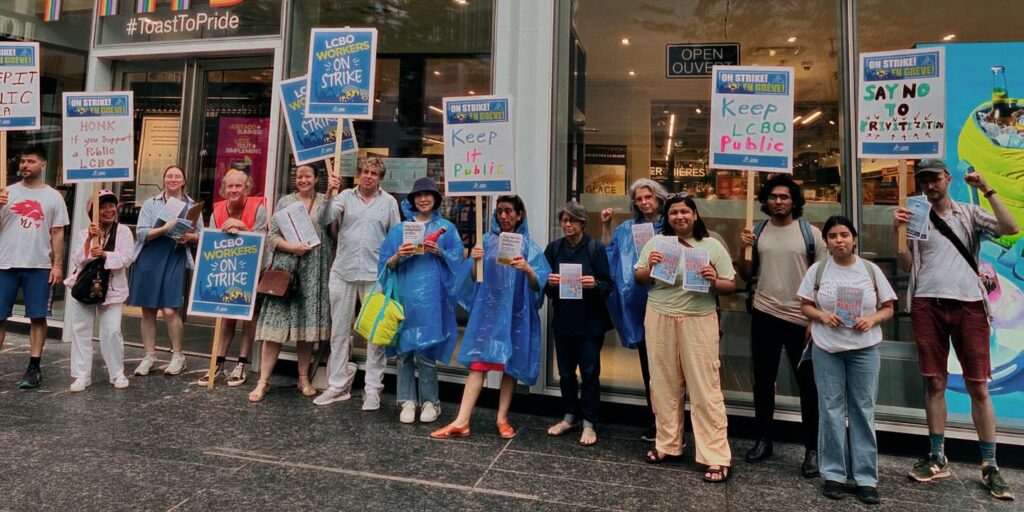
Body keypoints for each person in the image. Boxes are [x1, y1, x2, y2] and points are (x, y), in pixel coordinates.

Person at [893, 159, 1018, 500]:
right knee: (934, 381)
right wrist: (898, 234)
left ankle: (990, 464)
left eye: (934, 179)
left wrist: (987, 189)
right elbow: (907, 264)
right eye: (924, 182)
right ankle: (937, 455)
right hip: (926, 303)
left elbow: (1010, 228)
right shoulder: (916, 216)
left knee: (978, 385)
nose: (929, 186)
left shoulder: (968, 213)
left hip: (969, 306)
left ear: (947, 179)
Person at [431, 195, 551, 439]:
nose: (503, 216)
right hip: (489, 313)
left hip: (515, 313)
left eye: (508, 211)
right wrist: (476, 260)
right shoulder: (486, 241)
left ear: (520, 215)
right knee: (478, 364)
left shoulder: (529, 246)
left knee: (510, 366)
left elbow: (539, 283)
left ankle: (502, 418)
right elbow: (475, 278)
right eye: (499, 212)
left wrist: (527, 268)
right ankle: (462, 420)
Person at [633, 194, 735, 483]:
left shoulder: (712, 245)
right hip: (659, 315)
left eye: (685, 212)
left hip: (699, 319)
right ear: (668, 217)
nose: (679, 217)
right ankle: (668, 444)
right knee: (663, 383)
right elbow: (639, 278)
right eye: (674, 213)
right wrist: (649, 267)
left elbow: (730, 284)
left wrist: (714, 280)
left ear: (695, 215)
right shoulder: (656, 243)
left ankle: (715, 455)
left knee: (705, 387)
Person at [798, 215, 896, 505]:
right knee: (830, 409)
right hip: (827, 348)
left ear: (854, 239)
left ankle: (866, 477)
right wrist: (821, 316)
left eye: (844, 235)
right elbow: (804, 305)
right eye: (832, 236)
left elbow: (889, 307)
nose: (838, 240)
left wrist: (872, 319)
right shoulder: (817, 271)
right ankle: (834, 474)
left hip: (864, 350)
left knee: (863, 410)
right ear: (826, 241)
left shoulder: (870, 270)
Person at [738, 174, 824, 476]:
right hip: (764, 313)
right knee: (763, 381)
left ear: (794, 201)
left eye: (785, 197)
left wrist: (816, 318)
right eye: (773, 196)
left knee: (808, 386)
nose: (778, 201)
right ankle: (763, 439)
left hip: (801, 318)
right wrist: (743, 249)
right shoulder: (758, 230)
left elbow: (824, 279)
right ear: (765, 200)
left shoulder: (810, 233)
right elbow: (746, 274)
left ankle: (812, 448)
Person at [315, 157, 401, 410]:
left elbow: (395, 236)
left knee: (375, 336)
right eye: (364, 171)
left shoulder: (389, 203)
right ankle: (338, 385)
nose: (368, 176)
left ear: (380, 178)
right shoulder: (344, 196)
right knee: (339, 333)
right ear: (358, 174)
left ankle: (373, 390)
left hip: (375, 276)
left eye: (374, 173)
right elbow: (323, 218)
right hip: (343, 272)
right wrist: (330, 191)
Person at [378, 177, 462, 423]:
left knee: (425, 350)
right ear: (412, 200)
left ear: (435, 199)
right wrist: (398, 255)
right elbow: (385, 264)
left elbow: (457, 260)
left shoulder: (447, 228)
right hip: (404, 297)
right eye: (418, 195)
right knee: (404, 353)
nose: (423, 199)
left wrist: (440, 252)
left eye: (428, 194)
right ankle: (406, 400)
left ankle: (430, 402)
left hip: (431, 300)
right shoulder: (399, 230)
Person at [248, 165, 333, 402]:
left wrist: (333, 194)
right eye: (299, 176)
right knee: (274, 329)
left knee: (306, 332)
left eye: (308, 176)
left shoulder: (325, 202)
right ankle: (263, 380)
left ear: (317, 178)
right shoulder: (285, 202)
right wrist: (293, 247)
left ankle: (303, 378)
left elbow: (331, 229)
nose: (303, 179)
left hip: (313, 272)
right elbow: (272, 236)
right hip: (287, 270)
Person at [601, 178, 668, 441]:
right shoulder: (628, 228)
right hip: (640, 306)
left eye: (648, 197)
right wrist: (606, 225)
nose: (643, 202)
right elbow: (609, 250)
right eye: (638, 199)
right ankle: (655, 420)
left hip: (668, 302)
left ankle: (671, 422)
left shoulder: (671, 224)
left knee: (669, 367)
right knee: (649, 366)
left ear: (659, 198)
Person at [544, 201, 614, 446]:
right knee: (565, 373)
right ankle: (569, 416)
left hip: (590, 323)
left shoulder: (595, 249)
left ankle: (589, 422)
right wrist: (550, 284)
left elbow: (608, 285)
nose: (567, 224)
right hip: (564, 320)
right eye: (563, 220)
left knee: (590, 373)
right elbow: (545, 287)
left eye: (572, 220)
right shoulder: (553, 249)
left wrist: (594, 284)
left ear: (582, 223)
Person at [0, 145, 69, 389]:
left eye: (30, 161)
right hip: (5, 263)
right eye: (22, 161)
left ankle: (34, 367)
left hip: (39, 265)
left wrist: (57, 264)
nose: (24, 165)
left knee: (38, 316)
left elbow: (57, 231)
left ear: (43, 165)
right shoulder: (5, 192)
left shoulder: (53, 197)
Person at [128, 165, 202, 377]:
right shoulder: (151, 203)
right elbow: (141, 233)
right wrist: (165, 228)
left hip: (175, 256)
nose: (173, 179)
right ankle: (149, 356)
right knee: (148, 310)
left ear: (184, 180)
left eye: (177, 176)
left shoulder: (192, 206)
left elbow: (201, 235)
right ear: (163, 179)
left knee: (170, 310)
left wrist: (189, 237)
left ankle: (178, 356)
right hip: (149, 258)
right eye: (169, 175)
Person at [200, 169, 268, 387]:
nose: (234, 190)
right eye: (230, 186)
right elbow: (212, 240)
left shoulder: (259, 208)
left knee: (248, 318)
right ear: (224, 188)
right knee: (226, 317)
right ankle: (217, 363)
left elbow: (263, 240)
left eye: (238, 186)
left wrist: (242, 227)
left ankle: (241, 363)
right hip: (226, 268)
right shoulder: (217, 211)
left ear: (246, 187)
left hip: (252, 269)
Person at [64, 190, 135, 391]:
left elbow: (127, 258)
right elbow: (78, 259)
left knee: (112, 331)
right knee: (80, 330)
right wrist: (89, 241)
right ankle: (81, 375)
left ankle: (117, 373)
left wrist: (104, 254)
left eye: (111, 205)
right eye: (103, 207)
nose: (108, 210)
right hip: (84, 288)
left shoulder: (124, 232)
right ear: (93, 212)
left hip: (112, 290)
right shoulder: (84, 233)